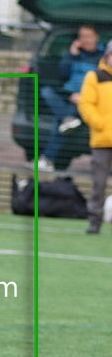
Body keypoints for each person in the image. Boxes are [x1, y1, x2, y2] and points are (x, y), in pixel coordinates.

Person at [38, 24, 105, 173]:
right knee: (47, 92)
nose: (85, 40)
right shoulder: (73, 55)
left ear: (96, 37)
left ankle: (48, 158)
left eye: (88, 36)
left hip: (91, 100)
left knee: (60, 123)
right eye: (82, 37)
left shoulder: (104, 57)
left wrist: (85, 96)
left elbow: (105, 82)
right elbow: (63, 74)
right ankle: (68, 117)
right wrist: (72, 54)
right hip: (70, 96)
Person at [77, 39, 112, 234]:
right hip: (101, 140)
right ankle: (94, 220)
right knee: (98, 184)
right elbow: (85, 104)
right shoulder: (95, 76)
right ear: (107, 55)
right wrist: (100, 124)